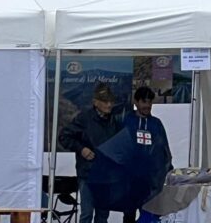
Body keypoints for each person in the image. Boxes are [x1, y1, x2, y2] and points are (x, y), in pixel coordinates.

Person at [58, 83, 125, 223]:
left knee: (102, 215)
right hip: (88, 174)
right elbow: (64, 136)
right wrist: (81, 149)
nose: (109, 105)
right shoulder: (84, 118)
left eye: (111, 101)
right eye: (105, 101)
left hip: (107, 176)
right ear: (95, 102)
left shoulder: (115, 120)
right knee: (87, 213)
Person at [123, 87, 173, 218]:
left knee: (150, 216)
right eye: (144, 102)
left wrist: (166, 172)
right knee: (129, 216)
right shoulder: (127, 121)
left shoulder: (156, 124)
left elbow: (165, 151)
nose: (147, 105)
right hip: (130, 180)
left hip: (151, 182)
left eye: (150, 102)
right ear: (136, 102)